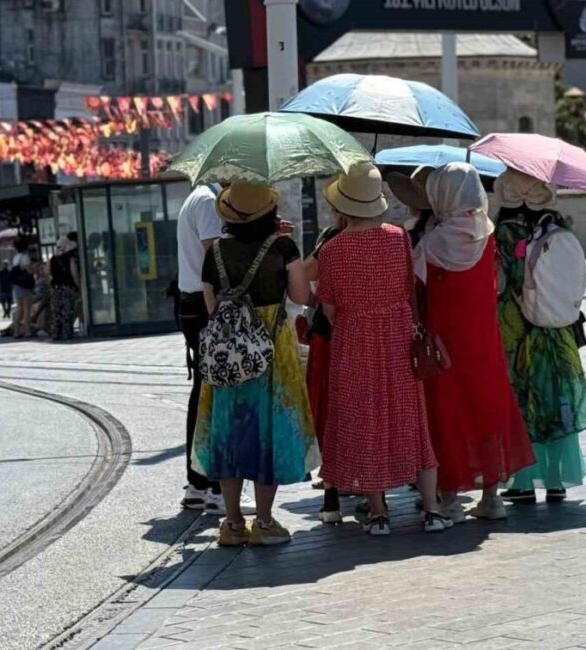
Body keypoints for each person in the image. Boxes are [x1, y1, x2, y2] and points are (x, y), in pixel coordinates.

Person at [316, 162, 448, 536]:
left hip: (355, 342)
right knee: (413, 421)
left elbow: (328, 307)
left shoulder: (333, 250)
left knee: (365, 423)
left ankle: (378, 514)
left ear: (343, 206)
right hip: (398, 339)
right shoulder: (399, 238)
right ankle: (433, 509)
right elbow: (409, 286)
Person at [191, 181, 318, 547]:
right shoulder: (282, 247)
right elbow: (300, 296)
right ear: (269, 212)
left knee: (229, 433)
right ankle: (264, 521)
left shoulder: (214, 252)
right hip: (273, 352)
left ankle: (232, 523)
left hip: (227, 356)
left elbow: (212, 307)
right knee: (270, 431)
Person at [414, 163, 535, 522]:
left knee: (446, 412)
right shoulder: (489, 234)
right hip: (483, 338)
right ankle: (491, 497)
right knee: (487, 409)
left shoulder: (435, 241)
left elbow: (415, 282)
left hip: (445, 339)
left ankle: (449, 496)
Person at [493, 170, 586, 505]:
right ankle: (556, 480)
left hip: (515, 328)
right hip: (556, 328)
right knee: (556, 398)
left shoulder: (502, 233)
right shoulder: (558, 228)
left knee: (522, 399)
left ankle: (523, 481)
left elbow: (496, 282)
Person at [175, 183, 225, 513]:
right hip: (206, 305)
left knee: (203, 391)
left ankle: (197, 483)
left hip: (191, 303)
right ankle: (219, 489)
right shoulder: (208, 201)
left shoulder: (197, 197)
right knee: (218, 393)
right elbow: (215, 257)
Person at [301, 211, 346, 519]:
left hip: (329, 336)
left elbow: (306, 275)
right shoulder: (390, 237)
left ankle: (332, 493)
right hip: (367, 334)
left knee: (330, 408)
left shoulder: (330, 240)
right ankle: (372, 491)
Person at [49, 236, 81, 341]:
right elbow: (74, 274)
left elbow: (48, 273)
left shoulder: (52, 260)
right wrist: (78, 286)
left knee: (56, 311)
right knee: (67, 311)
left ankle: (56, 333)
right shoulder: (70, 259)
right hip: (67, 287)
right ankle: (66, 333)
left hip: (55, 288)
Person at [11, 236, 35, 338]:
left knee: (19, 308)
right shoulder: (25, 257)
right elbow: (29, 271)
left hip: (17, 285)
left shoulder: (15, 258)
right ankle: (27, 331)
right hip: (26, 285)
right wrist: (34, 268)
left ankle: (16, 331)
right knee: (27, 309)